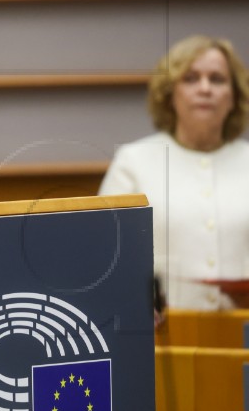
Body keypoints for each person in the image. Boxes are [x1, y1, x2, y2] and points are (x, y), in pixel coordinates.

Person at [99, 35, 249, 313]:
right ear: (170, 95)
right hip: (161, 337)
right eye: (190, 78)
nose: (205, 89)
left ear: (234, 96)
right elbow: (104, 255)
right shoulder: (133, 162)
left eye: (217, 79)